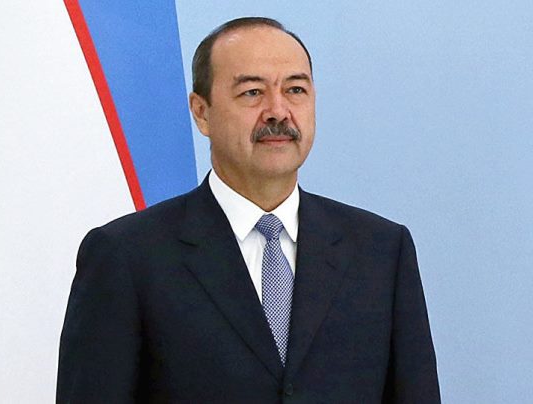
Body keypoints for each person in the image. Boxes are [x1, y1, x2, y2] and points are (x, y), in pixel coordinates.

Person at [57, 17, 440, 403]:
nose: (278, 112)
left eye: (295, 90)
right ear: (201, 112)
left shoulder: (381, 251)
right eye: (253, 92)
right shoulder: (127, 256)